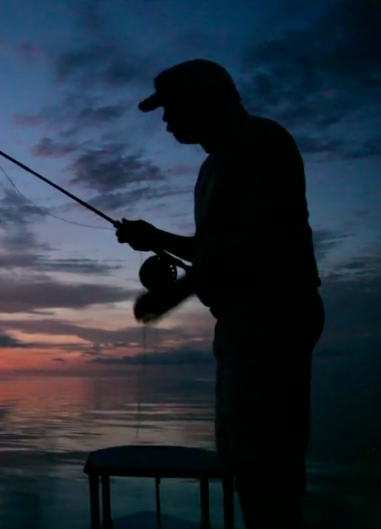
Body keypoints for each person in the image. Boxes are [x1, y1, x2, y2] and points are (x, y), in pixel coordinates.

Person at [115, 59, 325, 528]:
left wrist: (171, 297)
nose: (166, 120)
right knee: (243, 461)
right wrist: (156, 237)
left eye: (171, 108)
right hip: (238, 326)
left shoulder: (262, 143)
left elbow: (249, 243)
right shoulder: (212, 167)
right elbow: (213, 249)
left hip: (273, 320)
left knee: (267, 467)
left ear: (203, 101)